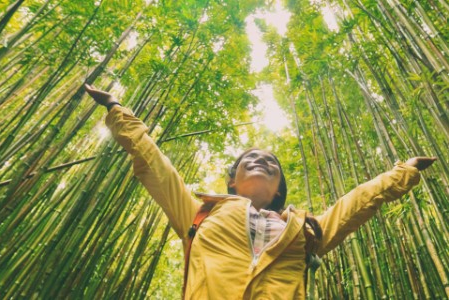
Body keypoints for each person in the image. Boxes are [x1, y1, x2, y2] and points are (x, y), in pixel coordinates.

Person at [85, 84, 436, 299]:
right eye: (249, 158)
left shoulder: (307, 230)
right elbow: (153, 164)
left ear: (279, 186)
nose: (260, 160)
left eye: (270, 161)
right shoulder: (197, 213)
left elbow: (358, 201)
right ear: (232, 181)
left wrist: (404, 172)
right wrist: (117, 109)